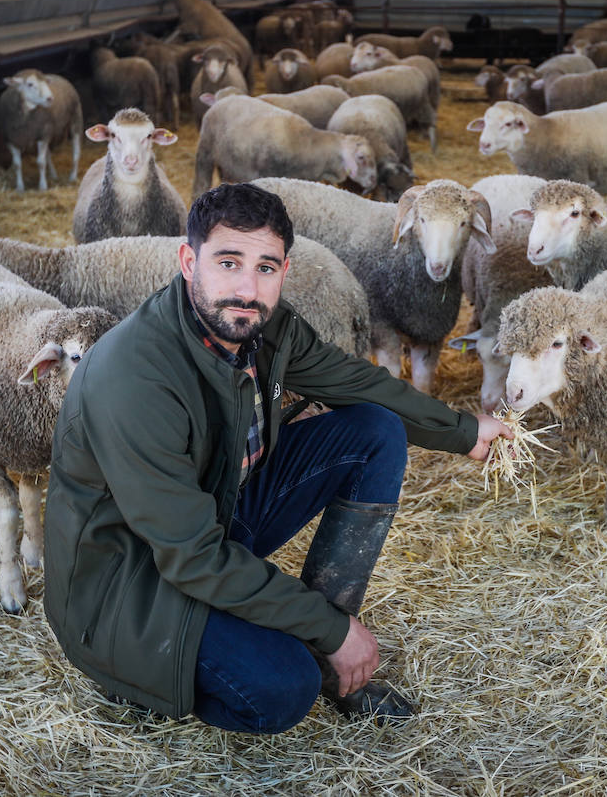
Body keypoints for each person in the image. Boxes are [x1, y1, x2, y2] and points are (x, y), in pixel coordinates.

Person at [43, 182, 511, 733]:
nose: (247, 287)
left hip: (214, 512)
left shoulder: (265, 328)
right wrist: (330, 631)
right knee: (284, 690)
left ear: (285, 271)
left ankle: (324, 643)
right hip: (132, 586)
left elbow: (356, 382)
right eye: (228, 262)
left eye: (266, 267)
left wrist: (461, 430)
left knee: (374, 430)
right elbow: (191, 557)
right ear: (188, 262)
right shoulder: (135, 377)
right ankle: (154, 675)